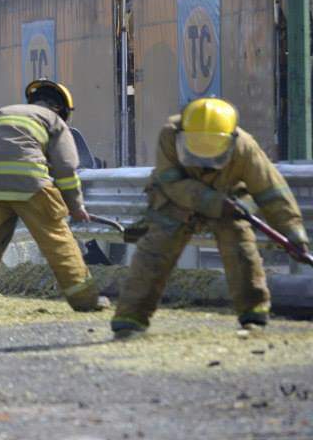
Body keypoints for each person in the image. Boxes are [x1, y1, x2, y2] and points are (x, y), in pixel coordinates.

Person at [111, 97, 309, 340]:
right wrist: (213, 203)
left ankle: (253, 314)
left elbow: (271, 191)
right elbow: (170, 180)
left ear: (231, 141)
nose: (205, 165)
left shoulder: (245, 147)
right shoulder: (169, 136)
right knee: (154, 253)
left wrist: (294, 233)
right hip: (177, 201)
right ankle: (129, 318)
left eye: (212, 158)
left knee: (241, 249)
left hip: (230, 203)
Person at [0, 79, 109, 319]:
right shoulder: (53, 121)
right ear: (62, 108)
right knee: (57, 240)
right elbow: (66, 169)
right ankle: (85, 299)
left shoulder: (1, 114)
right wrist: (76, 207)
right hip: (30, 182)